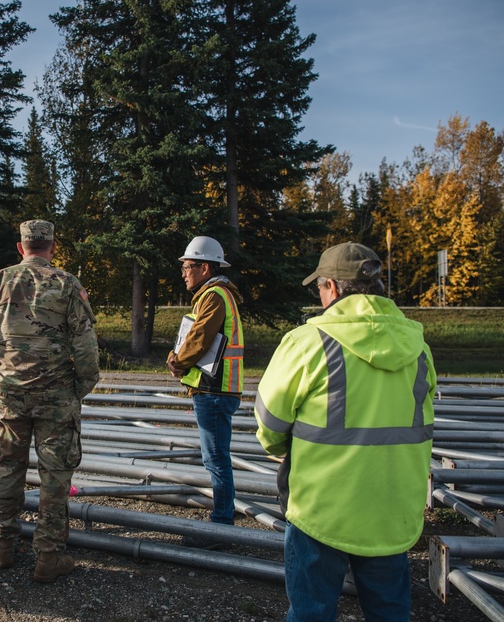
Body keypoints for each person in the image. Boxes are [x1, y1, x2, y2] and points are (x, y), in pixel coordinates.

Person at [255, 242, 436, 621]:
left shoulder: (308, 342)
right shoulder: (418, 347)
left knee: (311, 612)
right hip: (393, 508)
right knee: (389, 612)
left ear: (333, 288)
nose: (320, 298)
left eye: (319, 288)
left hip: (322, 509)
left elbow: (270, 422)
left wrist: (282, 448)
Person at [0, 220, 99, 583]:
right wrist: (81, 386)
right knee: (55, 477)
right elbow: (86, 345)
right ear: (52, 247)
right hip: (57, 397)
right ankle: (48, 556)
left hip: (9, 393)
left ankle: (3, 547)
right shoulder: (67, 283)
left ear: (20, 246)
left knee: (7, 469)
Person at [166, 236, 244, 536]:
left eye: (188, 266)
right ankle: (222, 520)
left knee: (216, 460)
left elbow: (200, 338)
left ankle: (221, 526)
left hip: (214, 390)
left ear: (205, 267)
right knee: (216, 458)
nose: (184, 272)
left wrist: (179, 362)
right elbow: (194, 337)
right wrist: (177, 356)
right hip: (215, 389)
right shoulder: (215, 295)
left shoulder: (214, 295)